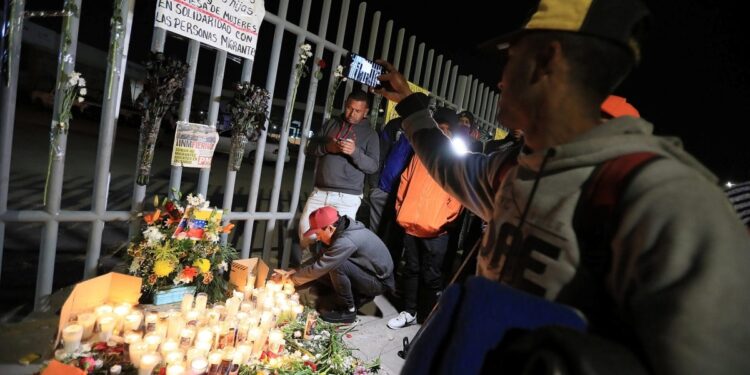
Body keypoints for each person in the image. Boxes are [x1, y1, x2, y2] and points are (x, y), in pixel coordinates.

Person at [374, 0, 750, 373]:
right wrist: (410, 106)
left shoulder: (663, 199)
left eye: (511, 57)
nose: (501, 78)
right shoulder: (516, 167)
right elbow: (449, 165)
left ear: (546, 61)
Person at [387, 107, 464, 329]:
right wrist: (403, 210)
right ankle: (409, 312)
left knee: (432, 276)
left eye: (448, 130)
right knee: (411, 270)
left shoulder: (457, 159)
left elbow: (458, 197)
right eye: (440, 128)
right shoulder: (420, 154)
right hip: (411, 224)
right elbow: (404, 181)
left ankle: (428, 317)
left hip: (436, 230)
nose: (444, 133)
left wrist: (443, 221)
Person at [277, 206, 395, 324]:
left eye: (318, 233)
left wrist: (292, 280)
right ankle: (358, 295)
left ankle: (348, 310)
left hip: (379, 282)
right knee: (329, 269)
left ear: (329, 228)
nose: (317, 237)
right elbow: (321, 258)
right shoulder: (341, 230)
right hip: (368, 273)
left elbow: (321, 266)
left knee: (336, 266)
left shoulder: (346, 240)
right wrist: (296, 270)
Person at [300, 90, 380, 252]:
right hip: (320, 192)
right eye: (349, 108)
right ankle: (306, 274)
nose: (351, 113)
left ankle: (327, 276)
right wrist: (328, 147)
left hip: (348, 197)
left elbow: (373, 166)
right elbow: (310, 148)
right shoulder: (331, 124)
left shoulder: (371, 135)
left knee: (338, 243)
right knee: (306, 234)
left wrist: (354, 152)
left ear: (366, 112)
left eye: (357, 111)